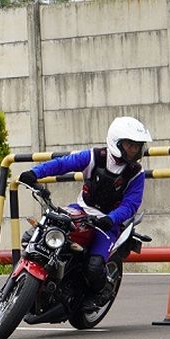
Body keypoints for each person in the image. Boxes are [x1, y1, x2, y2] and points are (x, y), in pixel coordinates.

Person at [17, 116, 152, 301]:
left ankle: (99, 293)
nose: (134, 150)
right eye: (130, 145)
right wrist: (34, 173)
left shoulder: (136, 173)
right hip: (80, 210)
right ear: (116, 142)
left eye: (137, 146)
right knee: (38, 232)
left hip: (107, 223)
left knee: (94, 266)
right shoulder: (94, 157)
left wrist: (111, 219)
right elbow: (63, 164)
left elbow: (131, 205)